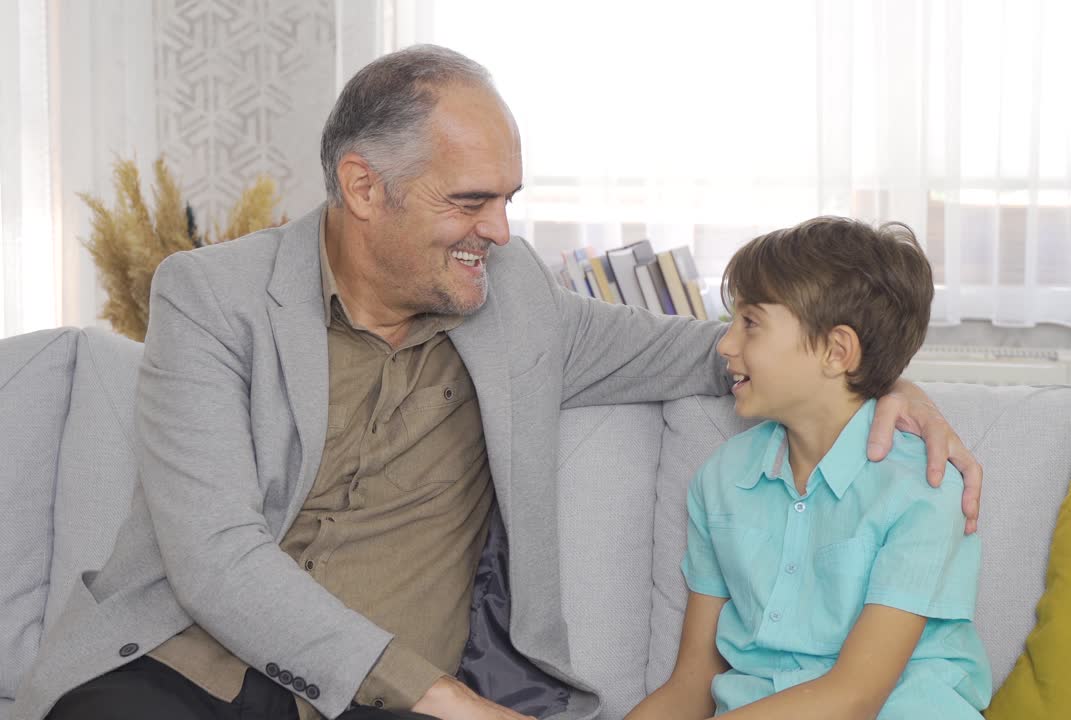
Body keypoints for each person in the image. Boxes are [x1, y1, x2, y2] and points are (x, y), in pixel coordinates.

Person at [13, 46, 981, 720]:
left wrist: (888, 385)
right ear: (362, 189)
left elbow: (714, 351)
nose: (502, 233)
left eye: (508, 201)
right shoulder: (209, 296)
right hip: (184, 669)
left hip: (381, 702)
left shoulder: (514, 298)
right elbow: (216, 559)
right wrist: (453, 705)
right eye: (470, 202)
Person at [626, 217, 992, 720]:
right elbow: (691, 684)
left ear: (836, 351)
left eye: (751, 322)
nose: (725, 344)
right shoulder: (722, 478)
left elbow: (854, 697)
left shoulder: (923, 490)